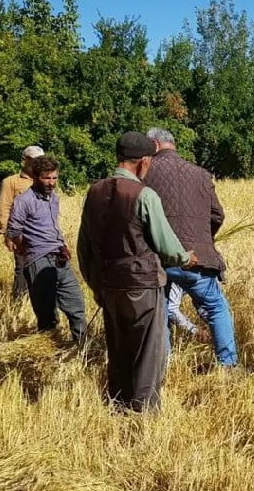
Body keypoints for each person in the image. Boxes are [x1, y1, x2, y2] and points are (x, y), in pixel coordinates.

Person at [77, 131, 197, 412]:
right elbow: (168, 247)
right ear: (144, 162)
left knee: (118, 350)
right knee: (147, 353)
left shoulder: (94, 191)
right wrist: (185, 257)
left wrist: (96, 285)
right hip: (141, 285)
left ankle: (118, 405)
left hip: (108, 284)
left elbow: (84, 247)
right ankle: (143, 412)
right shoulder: (144, 195)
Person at [144, 127, 238, 367]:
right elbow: (217, 215)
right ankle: (227, 365)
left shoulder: (144, 173)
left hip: (159, 259)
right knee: (216, 308)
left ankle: (163, 366)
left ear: (154, 144)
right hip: (198, 258)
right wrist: (203, 239)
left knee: (161, 310)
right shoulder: (200, 173)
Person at [6, 155, 86, 342]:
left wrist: (63, 245)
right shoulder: (24, 201)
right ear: (35, 177)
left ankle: (81, 346)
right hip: (38, 259)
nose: (51, 183)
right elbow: (14, 230)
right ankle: (50, 351)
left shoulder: (54, 199)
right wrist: (26, 248)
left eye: (54, 178)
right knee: (47, 313)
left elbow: (52, 226)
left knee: (76, 303)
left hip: (59, 257)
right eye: (47, 178)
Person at [0, 145, 44, 296]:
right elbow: (4, 208)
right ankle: (19, 302)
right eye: (34, 160)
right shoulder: (11, 182)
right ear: (25, 160)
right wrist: (7, 234)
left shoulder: (44, 180)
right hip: (21, 234)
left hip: (42, 233)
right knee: (22, 268)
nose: (38, 163)